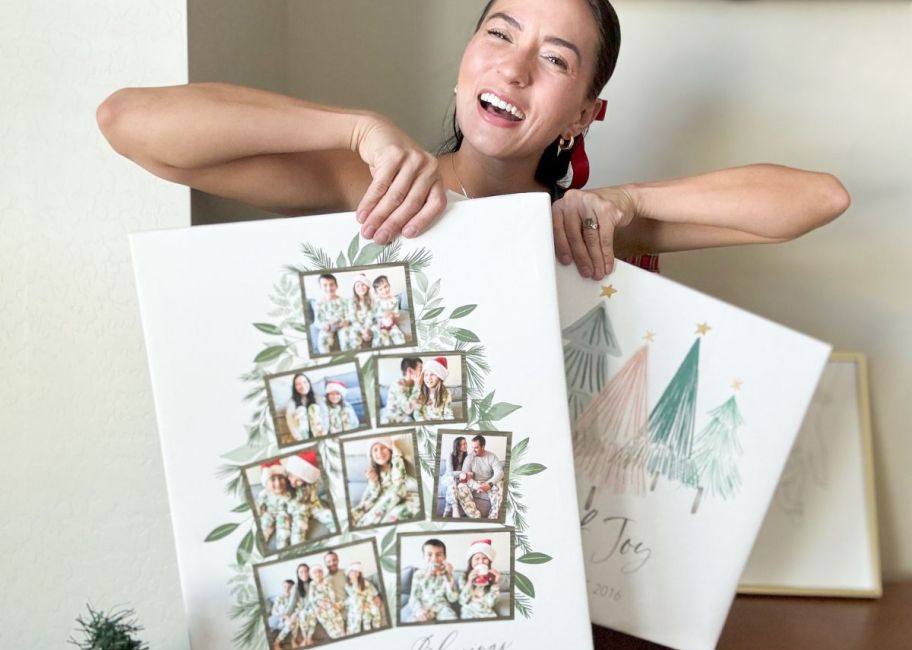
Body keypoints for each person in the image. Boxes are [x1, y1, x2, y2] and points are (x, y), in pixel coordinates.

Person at [97, 0, 849, 282]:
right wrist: (354, 129)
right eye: (500, 33)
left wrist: (623, 201)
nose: (515, 67)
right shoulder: (376, 191)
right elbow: (129, 124)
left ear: (585, 114)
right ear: (466, 60)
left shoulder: (581, 231)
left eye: (555, 58)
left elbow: (821, 199)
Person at [350, 436, 421, 527]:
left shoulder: (395, 465)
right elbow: (375, 494)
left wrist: (396, 455)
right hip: (380, 499)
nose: (379, 452)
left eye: (383, 448)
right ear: (371, 455)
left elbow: (399, 481)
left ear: (390, 450)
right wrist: (373, 481)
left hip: (397, 495)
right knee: (355, 514)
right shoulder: (374, 471)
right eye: (375, 450)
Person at [284, 450, 337, 543]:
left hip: (313, 506)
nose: (293, 482)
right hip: (298, 510)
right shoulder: (285, 484)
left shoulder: (312, 485)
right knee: (299, 528)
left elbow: (314, 500)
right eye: (291, 476)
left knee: (331, 517)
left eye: (298, 480)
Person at [404, 538, 459, 622]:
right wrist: (420, 611)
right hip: (423, 608)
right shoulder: (419, 574)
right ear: (424, 557)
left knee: (452, 620)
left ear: (444, 557)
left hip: (442, 608)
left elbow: (453, 598)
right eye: (429, 555)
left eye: (438, 554)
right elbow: (414, 597)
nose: (434, 559)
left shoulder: (447, 574)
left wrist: (449, 575)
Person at [454, 434, 504, 520]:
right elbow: (465, 477)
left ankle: (492, 518)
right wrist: (478, 486)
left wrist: (489, 484)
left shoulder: (492, 456)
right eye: (473, 447)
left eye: (476, 447)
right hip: (473, 483)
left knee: (501, 483)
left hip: (488, 482)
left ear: (483, 446)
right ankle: (475, 518)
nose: (474, 450)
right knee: (460, 486)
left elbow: (500, 473)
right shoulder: (469, 458)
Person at [459, 538, 503, 620]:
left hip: (486, 612)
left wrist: (496, 584)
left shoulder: (492, 577)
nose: (481, 562)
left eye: (484, 558)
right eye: (477, 559)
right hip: (468, 611)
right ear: (471, 562)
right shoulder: (463, 577)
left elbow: (490, 603)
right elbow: (462, 601)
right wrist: (469, 582)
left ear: (489, 561)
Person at [256, 460, 293, 549]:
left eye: (281, 478)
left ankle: (283, 549)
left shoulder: (289, 493)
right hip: (269, 513)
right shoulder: (264, 493)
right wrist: (259, 510)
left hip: (283, 515)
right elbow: (258, 505)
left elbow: (295, 505)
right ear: (266, 484)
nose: (278, 483)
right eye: (272, 480)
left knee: (284, 533)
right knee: (264, 525)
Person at [307, 565, 346, 640]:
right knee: (322, 614)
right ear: (312, 575)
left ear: (322, 573)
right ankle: (334, 634)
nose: (318, 574)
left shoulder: (327, 581)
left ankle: (341, 630)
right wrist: (318, 605)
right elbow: (311, 599)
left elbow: (332, 594)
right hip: (319, 605)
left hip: (329, 603)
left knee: (333, 610)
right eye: (315, 573)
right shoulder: (312, 584)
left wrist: (330, 602)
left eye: (320, 572)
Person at [344, 562, 384, 635]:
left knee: (375, 612)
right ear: (348, 574)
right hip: (358, 604)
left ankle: (375, 627)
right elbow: (355, 595)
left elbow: (372, 590)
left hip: (368, 602)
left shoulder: (364, 582)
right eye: (353, 572)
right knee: (362, 614)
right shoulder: (348, 585)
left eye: (358, 572)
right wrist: (355, 581)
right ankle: (359, 629)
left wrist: (377, 596)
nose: (356, 574)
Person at [313, 274, 349, 354]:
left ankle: (347, 356)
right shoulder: (319, 303)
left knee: (346, 337)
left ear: (336, 286)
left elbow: (347, 314)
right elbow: (317, 320)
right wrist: (323, 325)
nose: (329, 288)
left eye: (331, 285)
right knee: (322, 340)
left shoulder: (343, 301)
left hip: (341, 324)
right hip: (328, 326)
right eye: (325, 285)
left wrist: (346, 321)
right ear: (321, 287)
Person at [284, 373, 325, 442]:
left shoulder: (318, 398)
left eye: (305, 382)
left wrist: (325, 430)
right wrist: (298, 438)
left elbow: (325, 414)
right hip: (302, 435)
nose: (302, 386)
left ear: (309, 383)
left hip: (318, 432)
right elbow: (290, 420)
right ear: (295, 387)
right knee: (301, 410)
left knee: (314, 408)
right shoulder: (291, 402)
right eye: (298, 384)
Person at [382, 357, 422, 424]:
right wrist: (418, 385)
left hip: (407, 416)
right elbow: (408, 409)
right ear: (410, 371)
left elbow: (419, 403)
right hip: (393, 419)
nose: (422, 372)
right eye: (420, 369)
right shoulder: (398, 385)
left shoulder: (414, 384)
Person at [371, 274, 406, 347]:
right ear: (376, 292)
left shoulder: (394, 300)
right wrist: (381, 315)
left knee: (400, 338)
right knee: (382, 340)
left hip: (391, 324)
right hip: (379, 325)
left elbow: (397, 315)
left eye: (385, 287)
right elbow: (373, 315)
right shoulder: (376, 302)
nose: (384, 290)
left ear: (389, 286)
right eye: (380, 289)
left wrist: (393, 315)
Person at [417, 356, 454, 422]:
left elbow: (448, 414)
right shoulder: (420, 391)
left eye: (432, 374)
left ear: (440, 376)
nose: (428, 378)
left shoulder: (446, 393)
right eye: (426, 375)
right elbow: (417, 413)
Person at [344, 272, 375, 350]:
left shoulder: (372, 301)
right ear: (354, 288)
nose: (361, 287)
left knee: (378, 330)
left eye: (363, 284)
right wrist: (362, 330)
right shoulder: (351, 302)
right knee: (353, 334)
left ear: (367, 286)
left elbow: (370, 316)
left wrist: (367, 329)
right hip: (356, 326)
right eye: (358, 286)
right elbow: (353, 318)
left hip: (369, 325)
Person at [440, 436, 469, 518]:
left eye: (466, 443)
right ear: (458, 446)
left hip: (458, 479)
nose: (466, 445)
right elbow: (450, 472)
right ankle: (455, 508)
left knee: (453, 486)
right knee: (452, 482)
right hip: (448, 478)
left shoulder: (466, 456)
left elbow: (467, 471)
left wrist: (464, 474)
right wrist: (462, 472)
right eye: (463, 444)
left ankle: (446, 512)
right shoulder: (450, 455)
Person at [269, 579, 298, 650]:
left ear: (293, 589)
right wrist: (284, 616)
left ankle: (293, 640)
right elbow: (274, 611)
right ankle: (276, 644)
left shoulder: (294, 598)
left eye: (290, 587)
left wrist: (294, 614)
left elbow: (298, 608)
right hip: (279, 620)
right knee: (290, 622)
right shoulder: (279, 598)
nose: (287, 589)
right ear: (282, 587)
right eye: (285, 586)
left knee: (293, 621)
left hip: (291, 620)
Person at [323, 550, 349, 624]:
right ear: (325, 564)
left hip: (350, 608)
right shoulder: (324, 580)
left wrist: (376, 594)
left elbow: (361, 583)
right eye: (328, 561)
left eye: (334, 560)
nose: (332, 563)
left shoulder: (347, 572)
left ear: (338, 561)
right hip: (335, 613)